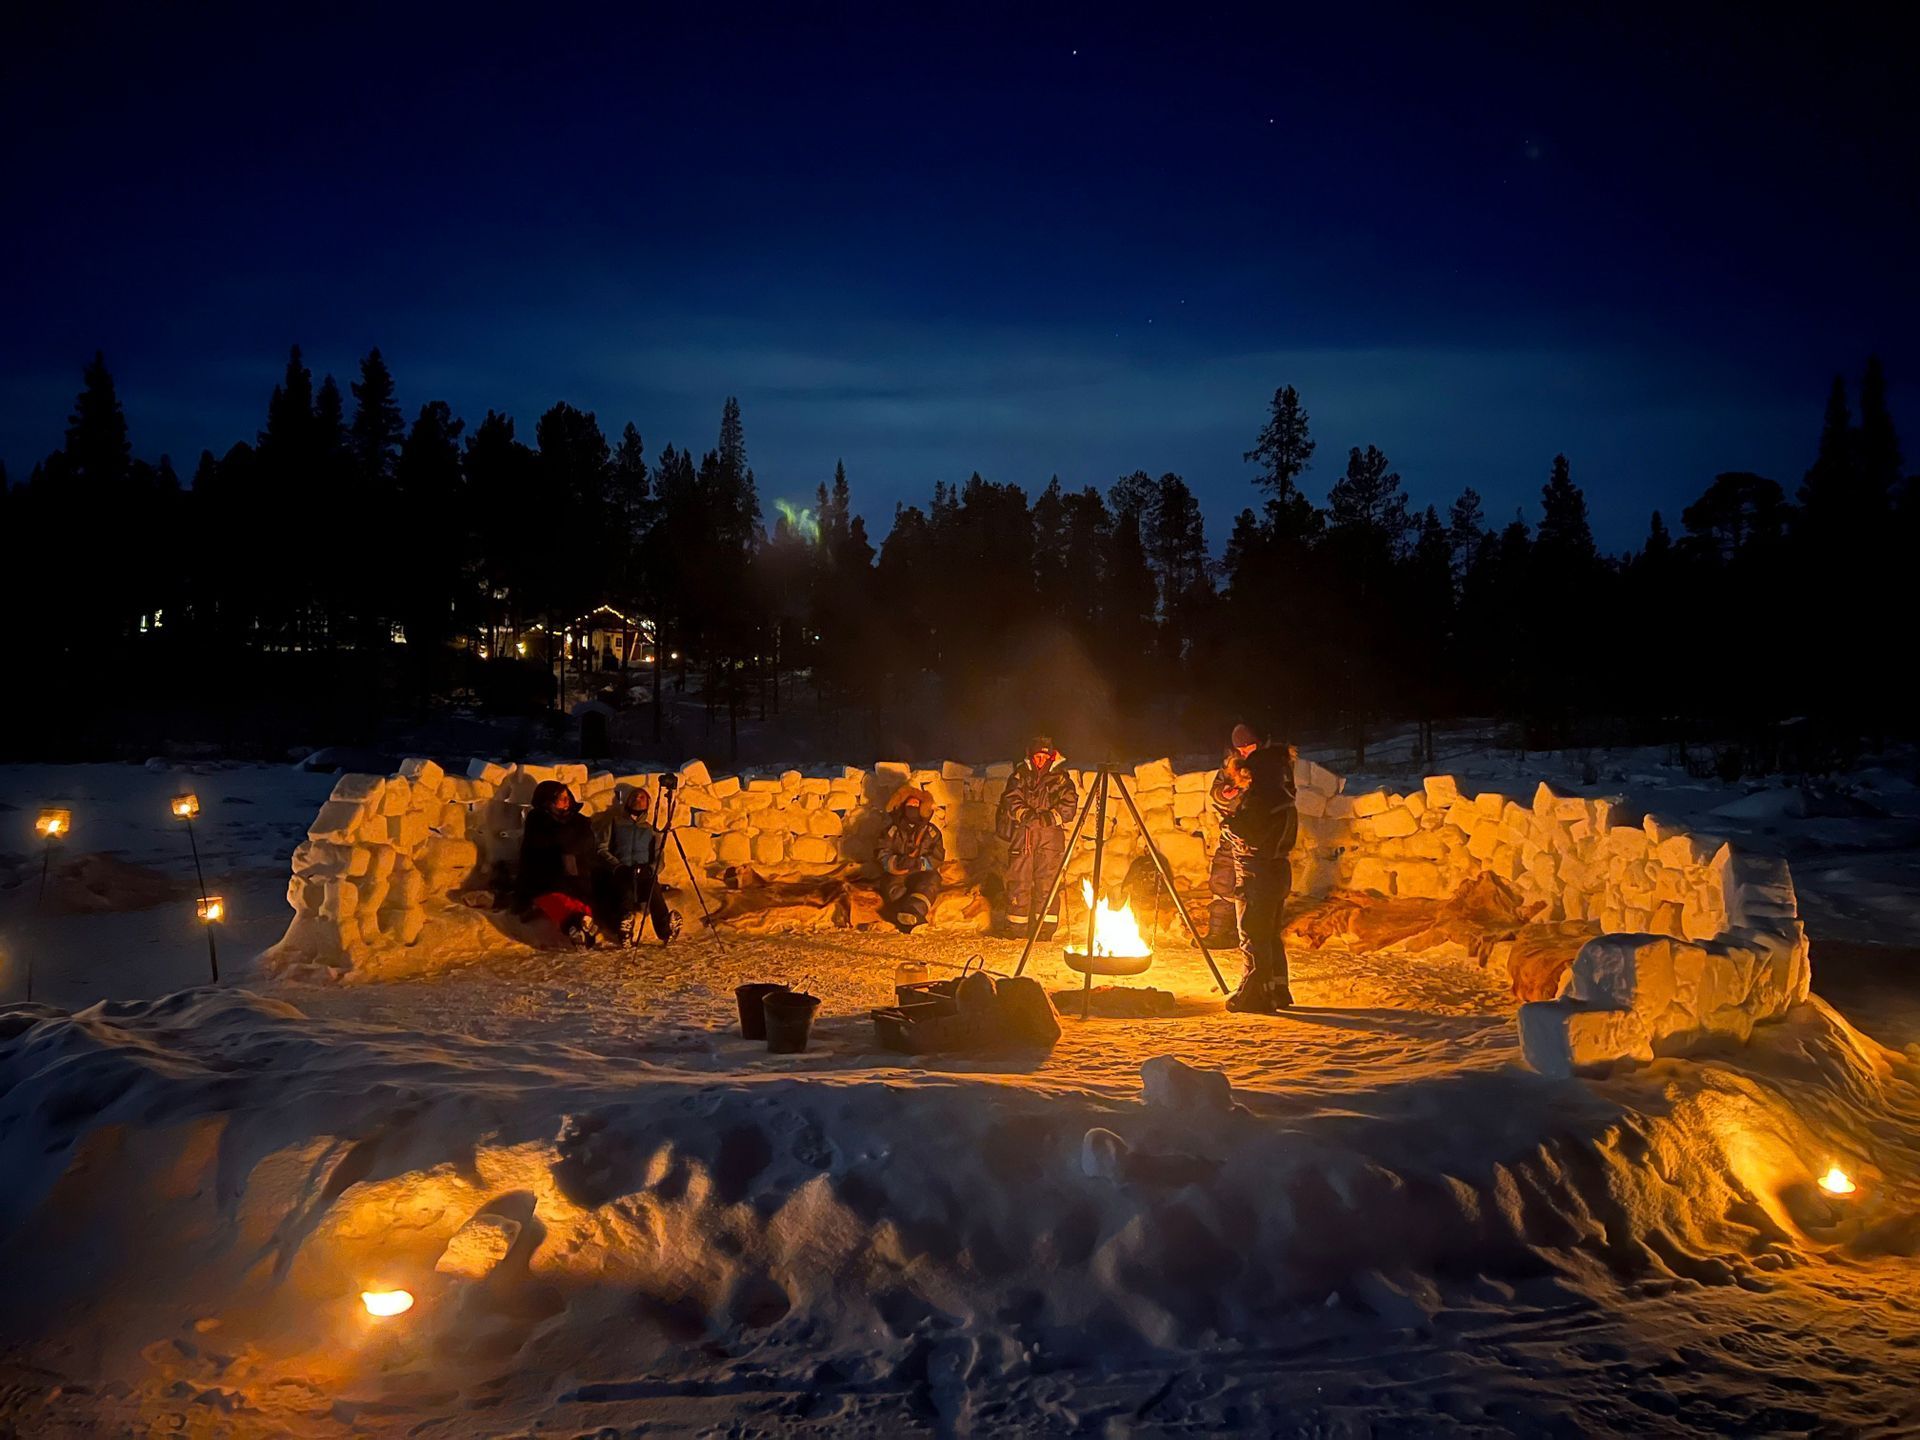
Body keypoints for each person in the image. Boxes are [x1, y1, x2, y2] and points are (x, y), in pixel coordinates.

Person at [1222, 738, 1300, 1013]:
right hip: (1278, 872)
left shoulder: (1261, 801)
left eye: (1250, 773)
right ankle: (1277, 990)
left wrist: (1228, 824)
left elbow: (1251, 834)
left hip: (1257, 873)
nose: (1247, 778)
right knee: (1269, 935)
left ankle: (1255, 996)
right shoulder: (1284, 798)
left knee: (1253, 934)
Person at [995, 734, 1080, 937]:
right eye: (1037, 756)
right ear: (1030, 757)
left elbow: (1069, 804)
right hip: (1023, 834)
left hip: (1050, 836)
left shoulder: (1061, 778)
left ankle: (1045, 929)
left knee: (1047, 881)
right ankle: (1016, 927)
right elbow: (1011, 798)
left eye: (1044, 756)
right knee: (1019, 880)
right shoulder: (1020, 776)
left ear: (1051, 757)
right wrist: (1025, 815)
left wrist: (1050, 818)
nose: (1040, 760)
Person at [516, 780, 606, 948]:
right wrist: (567, 843)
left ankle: (585, 927)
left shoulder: (579, 820)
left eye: (567, 797)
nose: (566, 801)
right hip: (546, 876)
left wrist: (568, 843)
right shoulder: (538, 819)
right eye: (561, 798)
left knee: (582, 900)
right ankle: (575, 924)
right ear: (548, 801)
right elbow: (548, 844)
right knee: (556, 900)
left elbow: (586, 842)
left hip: (576, 875)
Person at [1206, 723, 1262, 945]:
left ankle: (1250, 935)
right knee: (1222, 876)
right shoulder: (1232, 764)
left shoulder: (1270, 765)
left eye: (1250, 746)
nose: (1246, 752)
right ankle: (1219, 933)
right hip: (1234, 829)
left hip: (1259, 832)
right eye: (1242, 748)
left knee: (1254, 886)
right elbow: (1216, 791)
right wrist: (1225, 794)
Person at [604, 784, 679, 945]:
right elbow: (602, 848)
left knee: (653, 889)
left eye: (642, 797)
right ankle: (625, 930)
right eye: (635, 796)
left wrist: (651, 869)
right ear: (628, 802)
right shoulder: (615, 823)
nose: (638, 799)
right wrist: (617, 866)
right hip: (622, 872)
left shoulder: (650, 830)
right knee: (625, 892)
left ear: (648, 804)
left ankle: (666, 929)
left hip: (643, 873)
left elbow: (659, 857)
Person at [877, 786, 945, 932]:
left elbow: (938, 857)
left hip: (921, 872)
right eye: (910, 805)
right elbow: (882, 853)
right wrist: (896, 863)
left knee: (930, 884)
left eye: (916, 805)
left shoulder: (931, 832)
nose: (913, 808)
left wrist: (920, 863)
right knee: (892, 889)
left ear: (922, 808)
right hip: (897, 873)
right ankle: (905, 917)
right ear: (902, 807)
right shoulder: (892, 831)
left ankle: (913, 913)